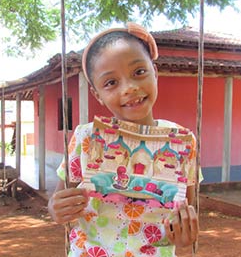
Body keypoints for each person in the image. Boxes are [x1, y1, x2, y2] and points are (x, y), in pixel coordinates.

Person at [48, 23, 199, 256]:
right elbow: (57, 200)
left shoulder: (182, 143)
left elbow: (186, 214)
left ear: (155, 73)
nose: (129, 88)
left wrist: (185, 242)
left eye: (139, 72)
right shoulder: (85, 139)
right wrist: (56, 208)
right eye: (111, 82)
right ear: (97, 94)